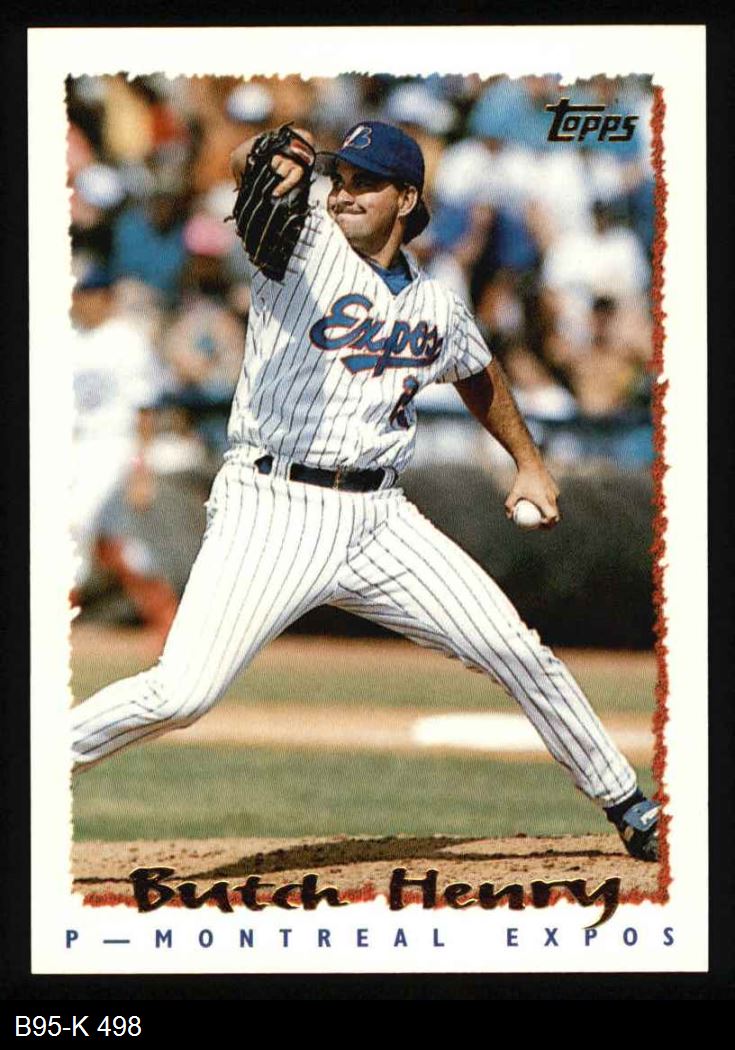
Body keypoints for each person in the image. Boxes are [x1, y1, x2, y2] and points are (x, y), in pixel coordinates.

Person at [69, 120, 660, 862]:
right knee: (181, 693)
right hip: (272, 507)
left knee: (514, 647)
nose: (344, 193)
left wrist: (527, 462)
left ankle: (628, 803)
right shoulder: (302, 246)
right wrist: (271, 154)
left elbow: (476, 372)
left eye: (364, 183)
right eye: (339, 178)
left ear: (406, 199)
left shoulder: (437, 304)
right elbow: (251, 180)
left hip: (381, 518)